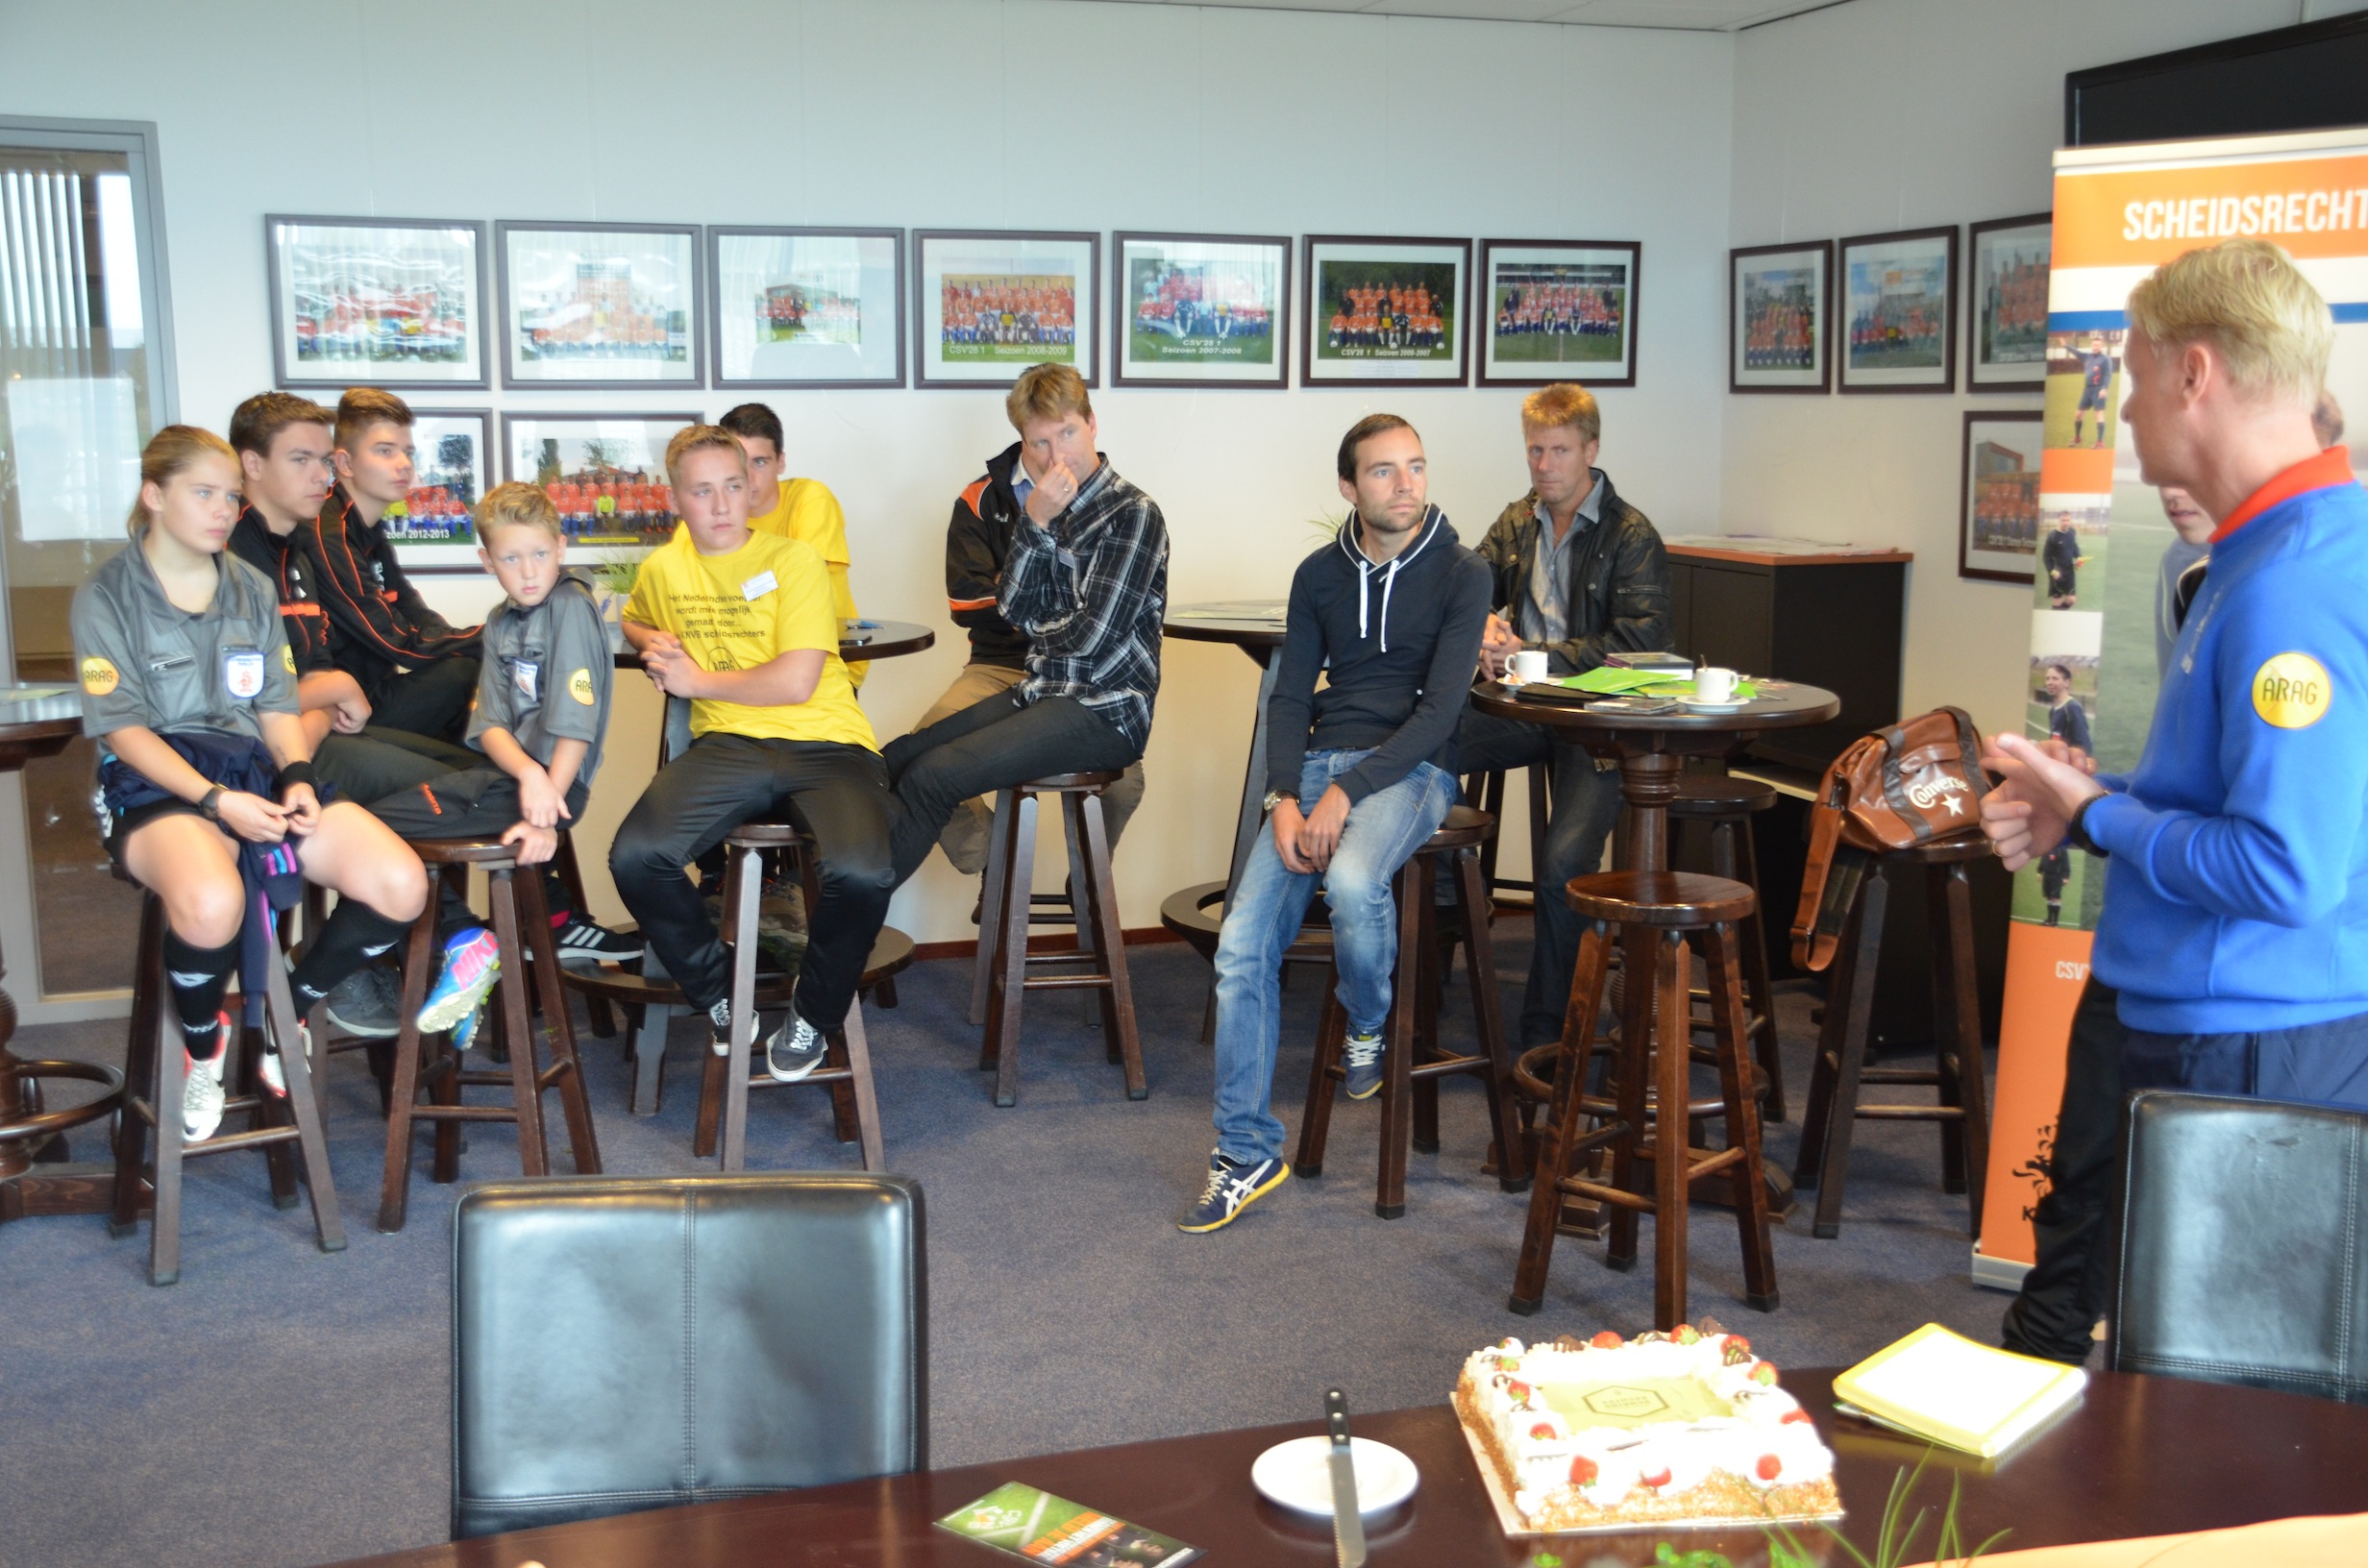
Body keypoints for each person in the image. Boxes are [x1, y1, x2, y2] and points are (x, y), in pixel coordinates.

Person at [1983, 241, 2368, 1318]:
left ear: (2194, 374)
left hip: (2247, 1043)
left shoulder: (2291, 585)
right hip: (2215, 1023)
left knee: (2210, 1382)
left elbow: (2284, 869)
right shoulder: (2263, 553)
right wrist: (2083, 803)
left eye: (2136, 376)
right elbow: (2235, 798)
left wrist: (2100, 815)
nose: (2123, 406)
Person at [73, 426, 429, 1142]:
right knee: (212, 903)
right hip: (155, 783)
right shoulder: (106, 594)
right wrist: (215, 801)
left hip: (253, 772)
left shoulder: (251, 586)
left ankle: (286, 1007)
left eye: (229, 495)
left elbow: (275, 706)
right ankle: (203, 1046)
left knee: (400, 884)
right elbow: (124, 730)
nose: (221, 509)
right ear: (154, 496)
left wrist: (296, 775)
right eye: (203, 493)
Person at [1179, 414, 1491, 1234]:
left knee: (1352, 882)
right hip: (1316, 766)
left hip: (1411, 771)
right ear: (1349, 487)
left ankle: (1367, 1019)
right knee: (1241, 947)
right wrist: (1283, 797)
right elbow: (1288, 696)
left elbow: (1439, 714)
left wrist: (1345, 794)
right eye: (1384, 471)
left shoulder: (1464, 572)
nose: (1406, 484)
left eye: (1416, 466)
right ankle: (1244, 1153)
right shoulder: (1318, 573)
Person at [608, 426, 894, 1083]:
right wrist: (650, 640)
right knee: (637, 857)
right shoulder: (664, 567)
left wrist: (694, 680)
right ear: (675, 498)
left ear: (751, 487)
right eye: (702, 491)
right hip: (731, 745)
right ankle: (720, 997)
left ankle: (813, 1014)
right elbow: (635, 614)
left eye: (733, 487)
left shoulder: (794, 560)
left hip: (826, 740)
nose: (721, 506)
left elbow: (796, 682)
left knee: (862, 872)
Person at [226, 392, 479, 1039]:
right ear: (252, 465)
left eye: (324, 460)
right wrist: (331, 692)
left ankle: (441, 943)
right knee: (464, 788)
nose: (324, 475)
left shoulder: (297, 549)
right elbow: (244, 699)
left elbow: (306, 682)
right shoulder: (233, 556)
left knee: (477, 773)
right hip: (252, 765)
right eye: (303, 460)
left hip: (303, 748)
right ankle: (458, 937)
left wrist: (319, 712)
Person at [363, 482, 640, 1048]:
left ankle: (468, 945)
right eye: (511, 559)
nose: (529, 571)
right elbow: (489, 725)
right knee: (369, 804)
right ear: (486, 560)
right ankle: (475, 951)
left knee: (366, 827)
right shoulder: (499, 621)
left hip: (558, 788)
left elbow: (575, 725)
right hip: (515, 779)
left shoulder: (570, 607)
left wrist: (545, 810)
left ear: (560, 548)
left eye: (539, 554)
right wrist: (527, 774)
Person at [884, 364, 1166, 888]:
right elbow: (1011, 609)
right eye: (1040, 442)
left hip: (1102, 704)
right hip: (1037, 687)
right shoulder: (1035, 505)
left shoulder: (1132, 512)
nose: (1057, 456)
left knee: (934, 776)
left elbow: (1090, 638)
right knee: (895, 759)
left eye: (1068, 433)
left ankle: (1081, 888)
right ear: (1022, 442)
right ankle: (841, 899)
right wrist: (1034, 522)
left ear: (1092, 424)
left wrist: (1040, 619)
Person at [1454, 383, 1672, 1053]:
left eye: (1559, 451)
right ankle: (1442, 913)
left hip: (1599, 724)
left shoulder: (1631, 534)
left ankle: (1551, 1039)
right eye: (1535, 451)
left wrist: (1535, 656)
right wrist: (1482, 624)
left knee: (1562, 870)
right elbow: (1466, 586)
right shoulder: (1517, 520)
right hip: (1522, 709)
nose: (1544, 466)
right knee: (1418, 744)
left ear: (1591, 450)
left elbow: (1640, 642)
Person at [307, 388, 482, 742]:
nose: (404, 464)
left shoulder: (370, 527)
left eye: (408, 452)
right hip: (344, 715)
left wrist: (466, 640)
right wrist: (493, 636)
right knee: (466, 670)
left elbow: (414, 611)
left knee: (475, 671)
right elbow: (398, 642)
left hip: (376, 691)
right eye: (385, 451)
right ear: (345, 463)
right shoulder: (328, 531)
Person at [716, 403, 867, 687]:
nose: (748, 476)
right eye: (737, 461)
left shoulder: (810, 498)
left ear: (780, 462)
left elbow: (805, 584)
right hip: (737, 662)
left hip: (825, 663)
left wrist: (730, 590)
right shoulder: (709, 512)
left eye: (760, 462)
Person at [2070, 331, 2118, 449]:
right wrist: (2065, 345)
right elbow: (2076, 352)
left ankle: (2100, 442)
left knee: (2098, 414)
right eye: (2094, 345)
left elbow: (2108, 375)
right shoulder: (2087, 356)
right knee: (2078, 414)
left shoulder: (2105, 359)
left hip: (2098, 389)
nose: (2095, 347)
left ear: (2101, 346)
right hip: (2087, 389)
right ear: (2091, 345)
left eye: (2098, 345)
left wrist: (2104, 389)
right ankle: (2077, 438)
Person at [2041, 515, 2084, 610]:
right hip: (2057, 572)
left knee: (2071, 600)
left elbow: (2074, 547)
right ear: (2059, 521)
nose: (2065, 522)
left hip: (2069, 571)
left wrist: (2079, 557)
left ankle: (2058, 613)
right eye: (2063, 520)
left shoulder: (2072, 532)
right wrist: (2052, 571)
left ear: (2070, 521)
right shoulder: (2053, 536)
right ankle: (2056, 615)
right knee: (2057, 602)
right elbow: (2046, 556)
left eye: (2067, 520)